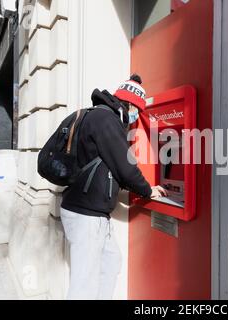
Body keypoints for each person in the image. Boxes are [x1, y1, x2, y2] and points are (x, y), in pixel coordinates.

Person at [60, 74, 168, 300]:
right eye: (136, 110)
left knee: (111, 261)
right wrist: (148, 189)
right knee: (83, 285)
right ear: (128, 104)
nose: (135, 116)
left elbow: (107, 167)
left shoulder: (98, 116)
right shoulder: (106, 120)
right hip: (86, 215)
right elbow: (125, 167)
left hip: (89, 212)